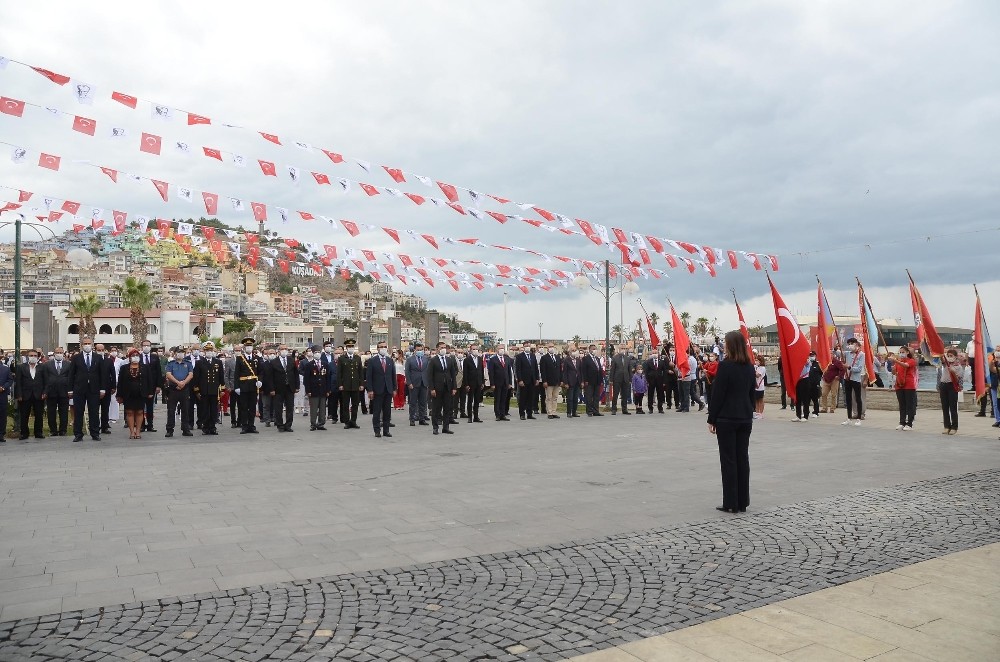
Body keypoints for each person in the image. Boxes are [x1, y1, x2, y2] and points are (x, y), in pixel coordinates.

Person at [707, 330, 756, 514]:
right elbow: (752, 393)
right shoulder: (750, 366)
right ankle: (743, 501)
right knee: (742, 458)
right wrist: (748, 410)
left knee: (729, 460)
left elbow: (718, 395)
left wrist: (712, 418)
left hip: (727, 418)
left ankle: (731, 502)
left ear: (731, 346)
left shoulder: (725, 366)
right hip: (744, 417)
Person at [67, 335, 108, 442]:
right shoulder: (76, 358)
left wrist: (102, 389)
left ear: (92, 345)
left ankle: (95, 433)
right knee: (79, 412)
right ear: (81, 345)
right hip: (79, 389)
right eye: (85, 344)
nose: (87, 345)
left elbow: (102, 374)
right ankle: (78, 434)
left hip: (94, 389)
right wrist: (70, 389)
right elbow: (71, 374)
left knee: (94, 412)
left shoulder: (98, 357)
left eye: (89, 343)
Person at [117, 348, 150, 439]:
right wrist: (119, 395)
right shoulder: (124, 368)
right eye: (133, 356)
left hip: (141, 393)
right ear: (129, 357)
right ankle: (132, 431)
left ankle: (138, 431)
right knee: (130, 412)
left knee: (140, 412)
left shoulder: (145, 367)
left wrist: (150, 392)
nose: (135, 357)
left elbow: (149, 380)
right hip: (128, 393)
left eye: (137, 356)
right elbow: (120, 382)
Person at [192, 342, 223, 436]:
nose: (209, 352)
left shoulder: (218, 362)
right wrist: (197, 390)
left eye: (211, 350)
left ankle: (213, 427)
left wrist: (222, 389)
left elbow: (221, 377)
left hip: (214, 390)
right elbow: (196, 378)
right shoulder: (199, 362)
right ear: (204, 352)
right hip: (204, 390)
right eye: (207, 351)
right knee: (204, 409)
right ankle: (205, 427)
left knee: (214, 409)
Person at [366, 340, 395, 438]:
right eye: (381, 347)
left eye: (385, 347)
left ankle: (386, 430)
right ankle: (377, 430)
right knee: (377, 412)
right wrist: (370, 390)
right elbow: (369, 376)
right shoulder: (372, 361)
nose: (383, 348)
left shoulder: (390, 360)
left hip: (388, 389)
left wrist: (394, 388)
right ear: (377, 349)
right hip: (377, 390)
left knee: (387, 412)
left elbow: (392, 375)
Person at [267, 344, 299, 433]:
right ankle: (280, 425)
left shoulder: (291, 360)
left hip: (289, 387)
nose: (284, 350)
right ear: (278, 351)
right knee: (278, 408)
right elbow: (270, 377)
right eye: (282, 349)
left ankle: (288, 425)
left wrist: (297, 386)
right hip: (278, 388)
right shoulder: (274, 362)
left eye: (286, 349)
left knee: (289, 407)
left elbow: (296, 374)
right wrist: (272, 389)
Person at [15, 349, 47, 440]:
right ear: (27, 356)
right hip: (25, 395)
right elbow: (18, 382)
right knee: (24, 415)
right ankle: (24, 433)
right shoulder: (21, 367)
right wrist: (19, 395)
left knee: (39, 415)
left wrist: (45, 392)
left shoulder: (42, 367)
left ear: (38, 357)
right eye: (31, 355)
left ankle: (38, 432)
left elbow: (46, 381)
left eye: (35, 356)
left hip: (39, 395)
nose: (33, 357)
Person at [234, 337, 262, 434]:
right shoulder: (239, 358)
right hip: (243, 386)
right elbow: (236, 373)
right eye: (247, 346)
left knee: (252, 407)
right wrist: (236, 386)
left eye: (250, 346)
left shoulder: (256, 359)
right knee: (244, 407)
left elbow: (260, 372)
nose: (249, 348)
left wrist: (260, 380)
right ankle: (244, 426)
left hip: (253, 386)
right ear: (244, 347)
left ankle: (251, 425)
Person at [163, 347, 194, 438]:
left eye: (182, 352)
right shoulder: (171, 364)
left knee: (185, 410)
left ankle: (185, 429)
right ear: (175, 354)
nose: (180, 354)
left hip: (184, 389)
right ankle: (169, 430)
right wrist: (178, 382)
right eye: (178, 352)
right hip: (173, 389)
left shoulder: (188, 363)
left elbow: (191, 374)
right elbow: (168, 374)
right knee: (171, 410)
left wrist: (183, 383)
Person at [428, 341, 457, 434]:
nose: (443, 349)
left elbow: (453, 375)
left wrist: (454, 388)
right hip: (437, 388)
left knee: (447, 408)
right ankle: (435, 427)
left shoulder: (449, 360)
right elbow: (430, 376)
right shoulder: (433, 360)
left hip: (448, 388)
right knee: (436, 409)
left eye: (444, 347)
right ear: (437, 349)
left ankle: (446, 427)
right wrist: (432, 388)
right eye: (441, 348)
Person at [43, 346, 71, 436]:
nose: (59, 354)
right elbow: (45, 379)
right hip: (51, 392)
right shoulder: (47, 364)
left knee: (64, 412)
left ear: (63, 354)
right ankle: (53, 430)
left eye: (61, 353)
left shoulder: (68, 364)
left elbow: (71, 378)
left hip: (64, 392)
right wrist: (45, 391)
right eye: (57, 353)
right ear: (54, 354)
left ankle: (63, 430)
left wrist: (70, 390)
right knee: (51, 412)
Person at [337, 339, 364, 430]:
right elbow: (339, 373)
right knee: (345, 404)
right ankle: (347, 422)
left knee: (355, 404)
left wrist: (361, 384)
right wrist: (340, 384)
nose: (351, 348)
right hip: (346, 385)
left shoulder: (357, 358)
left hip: (355, 385)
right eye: (349, 347)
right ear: (346, 348)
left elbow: (360, 372)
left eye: (352, 347)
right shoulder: (341, 358)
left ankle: (354, 421)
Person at [300, 346, 328, 431]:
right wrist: (308, 390)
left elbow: (327, 377)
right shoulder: (309, 365)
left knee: (322, 408)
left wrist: (328, 389)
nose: (317, 354)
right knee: (314, 408)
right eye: (315, 352)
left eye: (319, 352)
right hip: (313, 390)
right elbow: (306, 379)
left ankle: (321, 423)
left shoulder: (325, 364)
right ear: (312, 353)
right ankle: (313, 424)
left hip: (323, 389)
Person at [891, 346, 917, 431]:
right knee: (902, 405)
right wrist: (893, 368)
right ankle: (902, 422)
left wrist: (896, 361)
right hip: (899, 384)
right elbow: (894, 373)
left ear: (907, 352)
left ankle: (909, 423)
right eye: (900, 352)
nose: (901, 354)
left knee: (909, 405)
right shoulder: (898, 362)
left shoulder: (911, 361)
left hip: (909, 385)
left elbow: (905, 366)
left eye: (903, 352)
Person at [938, 348, 963, 435]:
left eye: (951, 356)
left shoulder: (958, 367)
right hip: (943, 385)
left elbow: (957, 380)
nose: (949, 357)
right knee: (945, 407)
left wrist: (953, 372)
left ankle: (954, 427)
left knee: (953, 408)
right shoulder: (945, 364)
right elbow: (942, 359)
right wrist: (941, 353)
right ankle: (946, 426)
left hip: (952, 386)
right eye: (948, 356)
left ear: (956, 357)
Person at [841, 338, 865, 426]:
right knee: (848, 398)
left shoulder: (861, 355)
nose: (850, 345)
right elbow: (836, 353)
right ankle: (848, 418)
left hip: (856, 379)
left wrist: (849, 367)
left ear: (856, 344)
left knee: (858, 398)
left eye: (852, 343)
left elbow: (859, 369)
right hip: (847, 378)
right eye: (849, 344)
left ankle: (859, 418)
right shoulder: (847, 354)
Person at [138, 340, 162, 432]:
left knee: (150, 407)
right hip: (141, 386)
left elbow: (159, 372)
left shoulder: (155, 357)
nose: (146, 347)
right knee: (141, 406)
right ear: (142, 347)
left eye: (148, 345)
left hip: (152, 386)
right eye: (144, 345)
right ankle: (142, 425)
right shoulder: (138, 357)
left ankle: (150, 425)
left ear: (150, 347)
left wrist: (158, 386)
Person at [404, 342, 430, 426]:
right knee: (413, 402)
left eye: (421, 350)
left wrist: (428, 382)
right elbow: (407, 372)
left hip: (424, 383)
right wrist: (409, 383)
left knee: (423, 402)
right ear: (414, 350)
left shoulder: (426, 359)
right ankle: (412, 418)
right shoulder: (410, 359)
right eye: (418, 350)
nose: (420, 351)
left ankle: (421, 418)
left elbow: (428, 371)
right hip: (414, 384)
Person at [94, 343, 117, 435]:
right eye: (98, 350)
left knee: (105, 408)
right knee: (94, 409)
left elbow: (113, 374)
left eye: (102, 350)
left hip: (107, 388)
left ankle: (104, 426)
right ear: (95, 350)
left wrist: (113, 386)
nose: (100, 352)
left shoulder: (109, 361)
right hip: (94, 388)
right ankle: (95, 426)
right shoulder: (92, 360)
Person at [488, 344, 513, 421]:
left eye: (502, 348)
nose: (501, 350)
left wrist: (509, 383)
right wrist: (492, 384)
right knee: (497, 399)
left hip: (505, 382)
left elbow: (509, 371)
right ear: (496, 350)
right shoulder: (493, 359)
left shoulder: (506, 359)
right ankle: (497, 415)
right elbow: (491, 372)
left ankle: (503, 414)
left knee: (503, 399)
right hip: (497, 383)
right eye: (500, 348)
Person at [515, 344, 540, 420]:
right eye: (526, 346)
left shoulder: (532, 356)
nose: (528, 347)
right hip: (524, 380)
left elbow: (535, 368)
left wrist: (537, 379)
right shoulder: (519, 356)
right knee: (523, 398)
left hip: (532, 380)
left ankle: (529, 414)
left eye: (529, 346)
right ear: (523, 347)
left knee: (530, 397)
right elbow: (518, 369)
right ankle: (522, 414)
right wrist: (520, 380)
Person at [463, 344, 485, 423]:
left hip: (478, 382)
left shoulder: (479, 359)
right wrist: (466, 384)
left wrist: (482, 382)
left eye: (476, 349)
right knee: (470, 400)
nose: (475, 350)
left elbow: (481, 371)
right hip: (470, 383)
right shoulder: (467, 360)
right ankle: (469, 416)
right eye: (474, 349)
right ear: (470, 350)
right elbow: (465, 373)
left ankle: (476, 416)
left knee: (477, 400)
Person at [794, 352, 819, 422]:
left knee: (805, 399)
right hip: (798, 380)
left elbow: (808, 364)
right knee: (798, 399)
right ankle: (798, 415)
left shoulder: (807, 361)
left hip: (805, 380)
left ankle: (806, 416)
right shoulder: (797, 361)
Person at [539, 344, 562, 420]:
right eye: (550, 347)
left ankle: (554, 412)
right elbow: (543, 370)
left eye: (552, 347)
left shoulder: (557, 357)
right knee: (549, 397)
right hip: (548, 381)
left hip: (557, 381)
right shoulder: (544, 358)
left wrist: (561, 380)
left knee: (555, 397)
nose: (551, 348)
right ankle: (549, 412)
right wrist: (544, 381)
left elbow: (560, 370)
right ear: (547, 348)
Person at [608, 347, 632, 415]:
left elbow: (629, 369)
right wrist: (611, 379)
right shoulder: (615, 358)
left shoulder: (627, 358)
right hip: (617, 379)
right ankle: (614, 409)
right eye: (621, 348)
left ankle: (624, 409)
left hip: (625, 379)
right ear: (618, 349)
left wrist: (630, 379)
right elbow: (612, 370)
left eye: (624, 348)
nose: (623, 349)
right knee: (615, 395)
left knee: (625, 395)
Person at [581, 345, 603, 416]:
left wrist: (601, 380)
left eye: (595, 349)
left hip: (597, 381)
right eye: (593, 349)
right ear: (589, 349)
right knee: (589, 397)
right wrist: (585, 380)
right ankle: (589, 411)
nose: (594, 350)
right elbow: (584, 371)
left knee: (596, 396)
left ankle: (596, 411)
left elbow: (599, 370)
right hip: (589, 381)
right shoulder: (585, 358)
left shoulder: (597, 358)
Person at [562, 348, 582, 418]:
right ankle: (569, 412)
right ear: (569, 352)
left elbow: (580, 371)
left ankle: (574, 412)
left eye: (575, 350)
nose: (574, 352)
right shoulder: (566, 360)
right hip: (570, 382)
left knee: (575, 398)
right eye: (573, 351)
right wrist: (566, 383)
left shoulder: (578, 360)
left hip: (577, 381)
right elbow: (564, 372)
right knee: (570, 398)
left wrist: (581, 381)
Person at [0, 357, 11, 442]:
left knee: (2, 415)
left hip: (2, 395)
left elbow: (9, 380)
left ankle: (1, 434)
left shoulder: (5, 369)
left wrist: (3, 388)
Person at [753, 355, 767, 419]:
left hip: (760, 387)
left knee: (760, 400)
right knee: (756, 400)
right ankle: (757, 412)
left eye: (757, 360)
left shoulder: (762, 368)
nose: (756, 361)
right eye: (756, 360)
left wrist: (753, 370)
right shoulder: (757, 367)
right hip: (756, 386)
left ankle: (761, 413)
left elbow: (758, 375)